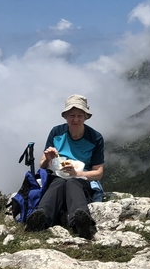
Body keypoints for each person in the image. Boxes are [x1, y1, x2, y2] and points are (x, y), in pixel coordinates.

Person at [26, 94, 104, 239]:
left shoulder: (95, 137)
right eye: (72, 115)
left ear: (86, 117)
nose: (76, 119)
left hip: (82, 177)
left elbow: (98, 172)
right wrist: (48, 159)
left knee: (73, 182)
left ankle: (81, 221)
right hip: (58, 175)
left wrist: (77, 174)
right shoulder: (56, 132)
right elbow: (43, 164)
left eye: (80, 115)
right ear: (65, 116)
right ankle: (41, 217)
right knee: (59, 182)